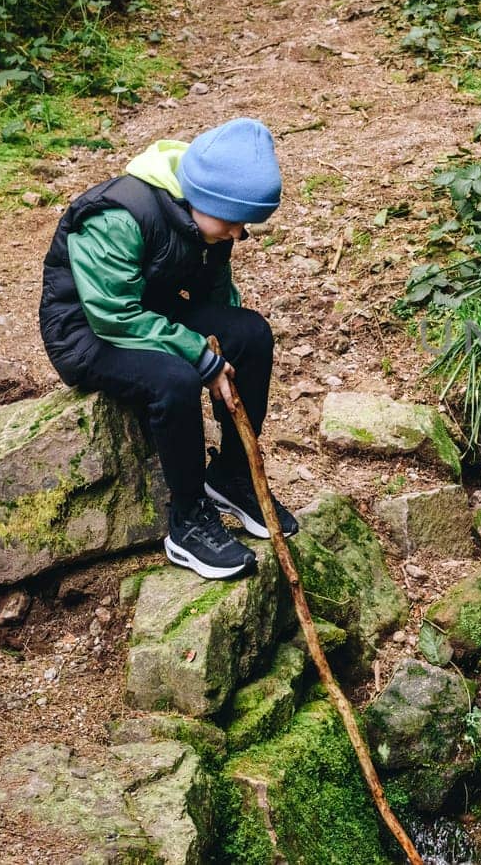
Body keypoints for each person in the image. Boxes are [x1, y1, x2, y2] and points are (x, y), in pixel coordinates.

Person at [39, 117, 299, 580]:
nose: (240, 234)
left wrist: (228, 349)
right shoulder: (118, 216)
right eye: (235, 221)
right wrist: (199, 355)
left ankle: (232, 478)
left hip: (149, 311)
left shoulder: (209, 217)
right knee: (175, 379)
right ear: (205, 199)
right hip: (88, 331)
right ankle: (188, 521)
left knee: (252, 334)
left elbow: (216, 297)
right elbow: (113, 314)